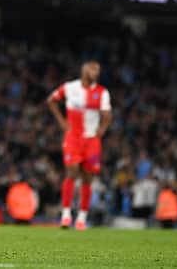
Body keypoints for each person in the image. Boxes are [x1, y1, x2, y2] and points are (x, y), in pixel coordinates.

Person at [47, 60, 112, 230]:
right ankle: (66, 214)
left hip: (92, 140)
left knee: (87, 178)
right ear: (84, 71)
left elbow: (107, 114)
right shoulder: (70, 88)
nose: (95, 73)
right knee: (72, 170)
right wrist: (62, 121)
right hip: (73, 138)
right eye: (92, 70)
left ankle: (82, 217)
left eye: (97, 70)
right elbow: (51, 101)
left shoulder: (102, 92)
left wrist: (102, 129)